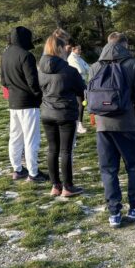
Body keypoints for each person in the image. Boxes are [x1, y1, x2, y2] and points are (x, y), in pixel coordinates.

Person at [88, 32, 135, 228]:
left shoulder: (95, 66)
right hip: (126, 124)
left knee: (108, 169)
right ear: (124, 44)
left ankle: (114, 212)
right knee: (133, 166)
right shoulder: (133, 64)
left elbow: (89, 96)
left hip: (102, 125)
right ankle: (134, 207)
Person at [39, 35, 87, 197]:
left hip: (47, 113)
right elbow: (82, 90)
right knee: (65, 151)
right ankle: (67, 186)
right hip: (65, 113)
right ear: (60, 49)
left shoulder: (41, 70)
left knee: (52, 149)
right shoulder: (70, 71)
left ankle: (55, 185)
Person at [0, 26, 48, 183]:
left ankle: (17, 169)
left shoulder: (5, 54)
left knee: (15, 137)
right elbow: (33, 82)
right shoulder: (26, 56)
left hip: (13, 102)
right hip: (28, 103)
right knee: (31, 139)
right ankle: (33, 173)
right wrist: (40, 96)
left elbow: (3, 81)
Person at [67, 39, 90, 134]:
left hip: (82, 82)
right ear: (73, 49)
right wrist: (86, 70)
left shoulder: (79, 58)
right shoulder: (72, 58)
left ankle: (78, 123)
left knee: (83, 104)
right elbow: (80, 70)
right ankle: (78, 125)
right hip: (76, 83)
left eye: (80, 49)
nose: (80, 51)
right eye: (78, 49)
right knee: (80, 104)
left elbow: (87, 68)